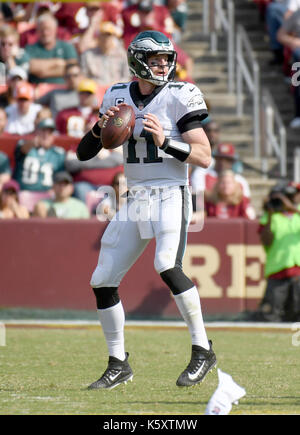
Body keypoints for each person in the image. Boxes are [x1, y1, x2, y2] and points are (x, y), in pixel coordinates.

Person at [76, 30, 216, 390]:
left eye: (167, 59)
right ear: (137, 60)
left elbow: (204, 156)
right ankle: (118, 362)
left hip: (171, 192)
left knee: (166, 264)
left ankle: (203, 348)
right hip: (136, 196)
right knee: (102, 278)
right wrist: (99, 128)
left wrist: (165, 142)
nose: (164, 65)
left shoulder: (180, 94)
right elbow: (84, 154)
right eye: (155, 59)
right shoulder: (117, 95)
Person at [255, 182, 300, 321]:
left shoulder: (297, 213)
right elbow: (266, 240)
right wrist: (269, 214)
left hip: (298, 271)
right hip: (277, 271)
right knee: (271, 315)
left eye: (291, 195)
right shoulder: (271, 216)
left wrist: (292, 208)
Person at [13, 118, 65, 191]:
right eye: (43, 131)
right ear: (37, 132)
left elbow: (61, 177)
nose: (46, 135)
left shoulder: (58, 154)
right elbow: (23, 149)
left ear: (53, 136)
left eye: (49, 132)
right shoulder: (26, 146)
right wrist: (32, 143)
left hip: (48, 195)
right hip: (23, 192)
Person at [25, 13, 78, 85]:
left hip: (62, 89)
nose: (45, 33)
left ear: (55, 30)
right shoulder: (30, 48)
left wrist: (42, 71)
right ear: (37, 31)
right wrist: (58, 62)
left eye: (48, 29)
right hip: (37, 90)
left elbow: (73, 69)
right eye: (42, 30)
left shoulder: (67, 47)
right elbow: (31, 67)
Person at [80, 21, 130, 87]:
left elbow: (127, 77)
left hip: (116, 90)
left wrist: (115, 85)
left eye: (108, 35)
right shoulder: (88, 55)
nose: (105, 38)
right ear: (98, 37)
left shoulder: (122, 55)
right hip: (95, 90)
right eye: (103, 35)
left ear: (113, 37)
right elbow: (84, 76)